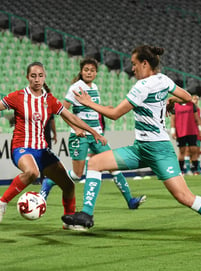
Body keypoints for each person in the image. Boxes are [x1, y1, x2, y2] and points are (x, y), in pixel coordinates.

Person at [62, 45, 201, 244]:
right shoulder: (163, 79)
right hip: (140, 148)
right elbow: (188, 98)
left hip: (159, 151)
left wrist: (88, 102)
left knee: (184, 196)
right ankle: (86, 215)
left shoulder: (142, 86)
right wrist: (170, 101)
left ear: (145, 64)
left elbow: (114, 114)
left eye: (134, 64)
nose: (132, 69)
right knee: (95, 163)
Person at [0, 62, 107, 226]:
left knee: (69, 185)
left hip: (42, 150)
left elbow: (71, 117)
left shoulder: (49, 100)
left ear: (44, 77)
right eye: (33, 76)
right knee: (32, 173)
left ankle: (69, 221)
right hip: (21, 147)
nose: (37, 79)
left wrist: (93, 132)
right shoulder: (18, 96)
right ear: (27, 77)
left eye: (40, 76)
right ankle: (3, 201)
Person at [39, 57, 145, 209]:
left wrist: (104, 108)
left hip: (97, 135)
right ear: (81, 72)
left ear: (96, 73)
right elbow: (62, 110)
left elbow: (91, 108)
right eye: (86, 70)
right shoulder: (76, 87)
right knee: (76, 175)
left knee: (114, 167)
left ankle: (130, 201)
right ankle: (49, 181)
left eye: (92, 70)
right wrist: (76, 128)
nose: (89, 73)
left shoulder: (94, 87)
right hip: (80, 136)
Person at [171, 93, 201, 175]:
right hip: (180, 132)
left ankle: (196, 170)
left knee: (194, 150)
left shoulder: (192, 105)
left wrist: (200, 129)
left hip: (192, 131)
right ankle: (180, 171)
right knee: (182, 151)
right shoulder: (175, 106)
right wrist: (172, 131)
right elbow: (173, 120)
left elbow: (197, 119)